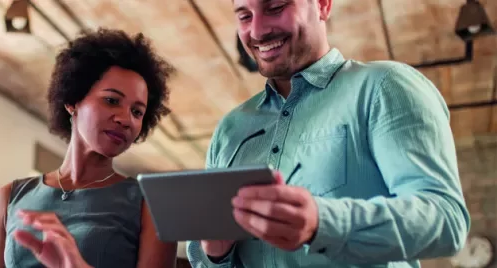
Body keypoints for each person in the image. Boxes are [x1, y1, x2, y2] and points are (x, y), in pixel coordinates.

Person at [187, 0, 471, 267]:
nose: (257, 31)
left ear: (323, 4)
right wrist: (215, 254)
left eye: (275, 7)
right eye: (245, 16)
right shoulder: (229, 130)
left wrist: (321, 223)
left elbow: (445, 219)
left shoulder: (384, 86)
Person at [0, 28, 177, 268]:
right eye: (112, 100)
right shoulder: (9, 198)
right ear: (72, 101)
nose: (126, 119)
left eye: (137, 112)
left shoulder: (152, 204)